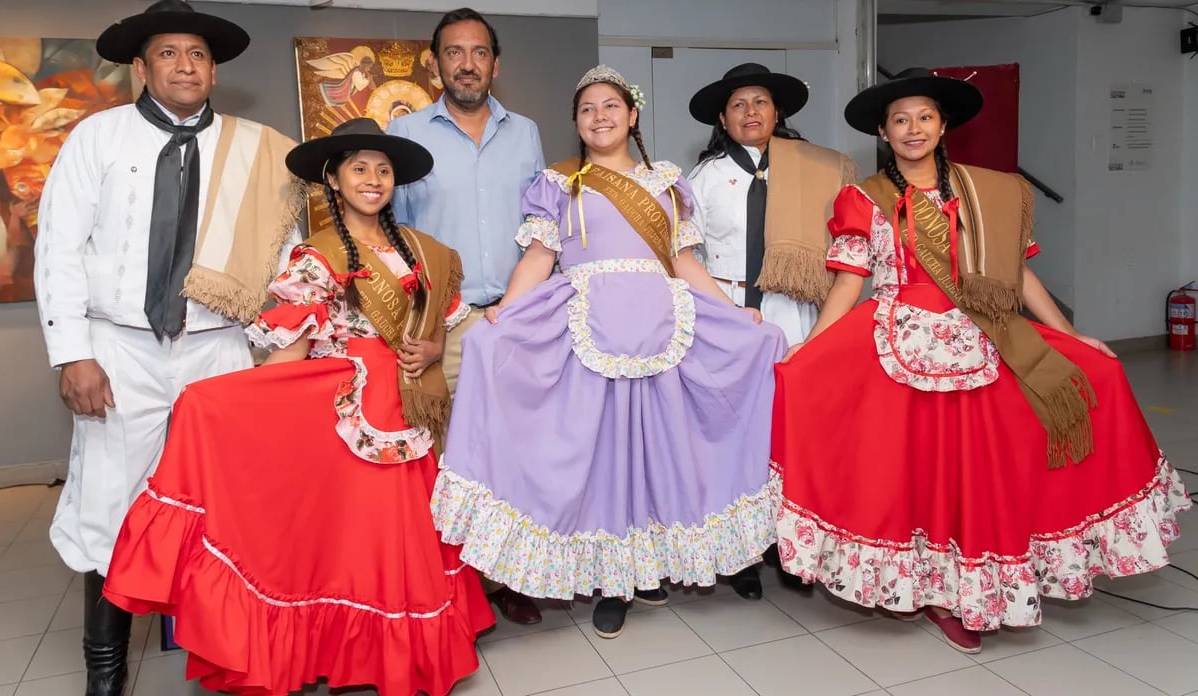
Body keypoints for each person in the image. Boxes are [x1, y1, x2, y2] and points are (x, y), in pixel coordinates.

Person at [770, 68, 1190, 654]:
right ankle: (938, 593)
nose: (913, 129)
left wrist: (1068, 332)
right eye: (900, 120)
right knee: (919, 476)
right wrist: (812, 347)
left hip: (985, 336)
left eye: (924, 118)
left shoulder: (988, 190)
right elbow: (848, 284)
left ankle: (983, 584)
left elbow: (1016, 273)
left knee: (990, 462)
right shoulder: (862, 198)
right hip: (898, 347)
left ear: (943, 127)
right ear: (884, 133)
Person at [102, 118, 494, 696]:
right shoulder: (319, 255)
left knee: (408, 538)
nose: (373, 179)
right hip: (354, 412)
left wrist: (433, 346)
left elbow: (441, 323)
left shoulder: (421, 250)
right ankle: (351, 653)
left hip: (413, 408)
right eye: (359, 168)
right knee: (362, 541)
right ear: (333, 180)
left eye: (383, 170)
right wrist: (240, 406)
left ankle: (407, 652)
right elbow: (293, 350)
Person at [432, 64, 787, 640]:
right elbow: (539, 260)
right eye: (588, 109)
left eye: (610, 106)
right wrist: (506, 312)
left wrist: (734, 312)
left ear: (633, 115)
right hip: (587, 327)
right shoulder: (559, 185)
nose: (600, 116)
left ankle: (649, 568)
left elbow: (686, 264)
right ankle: (612, 582)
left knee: (657, 454)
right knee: (602, 459)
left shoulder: (671, 186)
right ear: (576, 122)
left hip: (661, 326)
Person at [33, 0, 305, 696]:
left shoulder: (259, 150)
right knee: (114, 503)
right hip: (118, 349)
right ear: (141, 67)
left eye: (197, 55)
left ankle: (224, 654)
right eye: (168, 53)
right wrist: (73, 354)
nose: (185, 65)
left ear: (214, 71)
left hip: (218, 350)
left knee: (222, 506)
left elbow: (288, 260)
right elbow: (59, 247)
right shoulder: (99, 138)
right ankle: (106, 668)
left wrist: (290, 349)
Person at [387, 6, 546, 624]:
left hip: (513, 318)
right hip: (440, 322)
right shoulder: (407, 135)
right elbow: (392, 227)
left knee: (510, 452)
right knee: (442, 455)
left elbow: (544, 226)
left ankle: (504, 578)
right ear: (435, 63)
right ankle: (445, 585)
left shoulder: (526, 132)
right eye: (454, 52)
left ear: (495, 64)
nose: (467, 63)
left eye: (479, 52)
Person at [687, 62, 857, 599]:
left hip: (793, 308)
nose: (751, 112)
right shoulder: (703, 178)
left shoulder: (814, 171)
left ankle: (789, 547)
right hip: (728, 312)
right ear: (722, 117)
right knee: (734, 432)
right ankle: (738, 555)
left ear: (777, 112)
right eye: (738, 104)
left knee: (791, 430)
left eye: (760, 102)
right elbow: (682, 256)